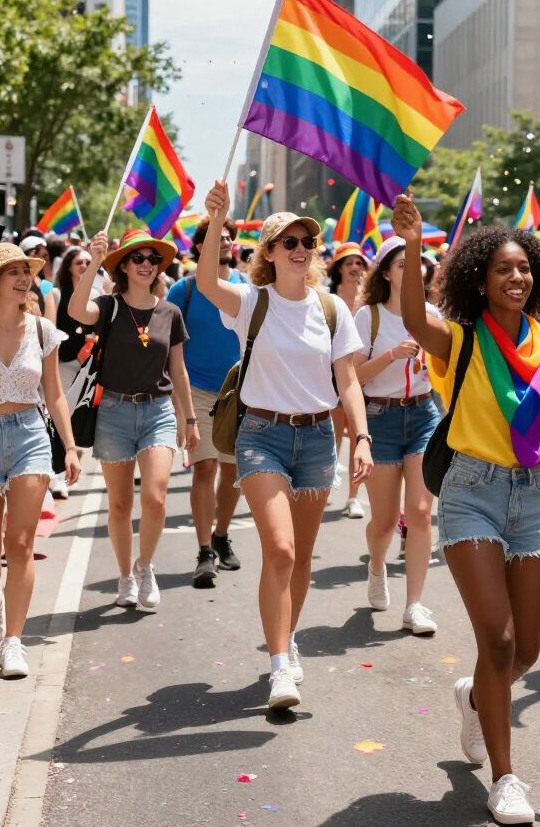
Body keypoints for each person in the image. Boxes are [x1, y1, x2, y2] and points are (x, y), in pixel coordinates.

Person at [392, 194, 540, 826]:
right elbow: (412, 317)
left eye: (524, 269)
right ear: (478, 281)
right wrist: (411, 246)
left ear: (538, 278)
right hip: (469, 493)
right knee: (499, 638)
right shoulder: (459, 339)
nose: (516, 278)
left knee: (527, 653)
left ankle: (475, 697)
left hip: (532, 499)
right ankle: (506, 777)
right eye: (502, 270)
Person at [197, 183, 373, 711]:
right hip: (261, 435)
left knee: (300, 560)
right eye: (288, 241)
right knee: (280, 550)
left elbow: (348, 381)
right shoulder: (252, 300)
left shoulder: (333, 308)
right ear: (269, 252)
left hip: (319, 437)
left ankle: (288, 638)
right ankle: (278, 667)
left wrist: (361, 437)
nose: (300, 249)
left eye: (307, 242)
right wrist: (215, 221)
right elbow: (206, 280)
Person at [68, 228, 199, 614]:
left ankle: (146, 567)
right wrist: (94, 261)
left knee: (155, 499)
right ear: (123, 264)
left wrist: (189, 418)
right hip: (113, 410)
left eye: (152, 259)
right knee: (121, 505)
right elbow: (77, 311)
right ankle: (125, 575)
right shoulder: (108, 307)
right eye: (137, 258)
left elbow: (178, 369)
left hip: (158, 410)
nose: (146, 264)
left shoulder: (170, 312)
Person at [0, 243, 81, 678]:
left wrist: (72, 446)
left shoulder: (42, 330)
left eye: (28, 271)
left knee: (20, 545)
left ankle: (14, 642)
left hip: (29, 436)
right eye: (14, 273)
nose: (25, 279)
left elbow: (54, 393)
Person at [351, 236, 442, 634]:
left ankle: (415, 605)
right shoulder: (367, 317)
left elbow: (445, 372)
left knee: (421, 513)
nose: (413, 269)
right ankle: (376, 566)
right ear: (386, 272)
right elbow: (352, 377)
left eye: (417, 262)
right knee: (385, 523)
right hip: (380, 419)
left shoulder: (433, 313)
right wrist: (391, 356)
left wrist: (431, 362)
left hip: (423, 415)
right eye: (403, 263)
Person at [166, 217, 246, 588]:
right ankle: (204, 552)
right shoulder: (182, 290)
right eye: (217, 237)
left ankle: (221, 534)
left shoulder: (247, 287)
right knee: (205, 468)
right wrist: (181, 408)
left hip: (239, 393)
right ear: (200, 246)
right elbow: (167, 348)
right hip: (196, 390)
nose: (226, 242)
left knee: (233, 474)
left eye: (229, 237)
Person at [47, 245, 98, 500]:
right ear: (68, 266)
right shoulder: (55, 295)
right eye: (79, 262)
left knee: (81, 419)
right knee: (59, 420)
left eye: (89, 262)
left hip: (89, 370)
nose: (84, 266)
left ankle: (69, 463)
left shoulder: (97, 293)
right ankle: (57, 475)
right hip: (62, 367)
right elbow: (49, 334)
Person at [328, 241, 369, 519]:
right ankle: (325, 480)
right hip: (331, 376)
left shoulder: (370, 301)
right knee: (333, 434)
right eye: (349, 263)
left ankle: (353, 497)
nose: (355, 267)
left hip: (363, 377)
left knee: (357, 434)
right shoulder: (328, 299)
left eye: (359, 263)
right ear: (339, 269)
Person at [18, 236, 56, 322]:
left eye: (45, 255)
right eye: (36, 251)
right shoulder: (13, 285)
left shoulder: (45, 285)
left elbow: (50, 325)